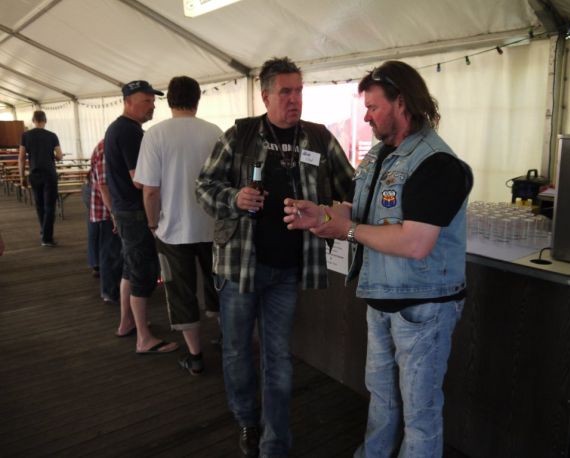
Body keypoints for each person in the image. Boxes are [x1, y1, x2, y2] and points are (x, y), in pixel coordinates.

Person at [284, 61, 473, 458]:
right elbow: (362, 211)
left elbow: (415, 243)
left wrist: (347, 230)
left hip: (423, 308)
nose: (366, 116)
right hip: (382, 298)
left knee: (420, 411)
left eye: (373, 107)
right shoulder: (381, 155)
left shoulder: (437, 164)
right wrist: (322, 215)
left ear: (401, 102)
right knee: (382, 397)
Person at [196, 57, 354, 457]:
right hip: (239, 267)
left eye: (299, 91)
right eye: (286, 92)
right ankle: (247, 420)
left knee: (279, 358)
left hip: (288, 270)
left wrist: (332, 212)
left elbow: (352, 188)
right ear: (265, 95)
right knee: (236, 350)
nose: (294, 99)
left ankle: (274, 443)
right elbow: (204, 187)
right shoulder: (241, 135)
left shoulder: (318, 138)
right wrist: (235, 197)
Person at [135, 75, 222, 375]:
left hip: (172, 229)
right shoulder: (215, 132)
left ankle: (195, 356)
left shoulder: (155, 134)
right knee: (218, 285)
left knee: (180, 292)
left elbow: (150, 191)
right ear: (197, 99)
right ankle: (226, 337)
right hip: (212, 226)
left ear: (169, 100)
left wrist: (152, 223)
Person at [105, 80, 178, 353]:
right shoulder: (129, 132)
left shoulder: (119, 128)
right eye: (146, 101)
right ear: (128, 102)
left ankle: (127, 322)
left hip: (124, 209)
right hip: (135, 213)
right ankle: (144, 339)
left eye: (153, 100)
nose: (152, 106)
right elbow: (140, 180)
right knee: (143, 273)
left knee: (129, 268)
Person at [18, 110, 63, 246]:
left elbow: (21, 158)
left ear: (33, 120)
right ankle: (47, 237)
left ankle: (44, 232)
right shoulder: (52, 136)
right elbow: (59, 156)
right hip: (49, 174)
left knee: (39, 205)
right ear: (45, 120)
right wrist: (52, 156)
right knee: (50, 205)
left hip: (35, 173)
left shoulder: (26, 135)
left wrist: (22, 176)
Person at [89, 139, 123, 304]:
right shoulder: (107, 147)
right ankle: (110, 291)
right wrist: (114, 214)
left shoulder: (108, 144)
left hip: (111, 208)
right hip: (108, 210)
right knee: (111, 252)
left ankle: (115, 288)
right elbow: (104, 186)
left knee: (113, 251)